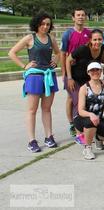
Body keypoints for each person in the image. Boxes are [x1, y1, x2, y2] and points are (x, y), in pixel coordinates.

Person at [9, 12, 60, 152]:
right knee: (32, 110)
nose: (45, 26)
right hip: (34, 77)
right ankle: (32, 140)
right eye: (42, 23)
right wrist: (24, 66)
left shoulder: (51, 38)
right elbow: (12, 53)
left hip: (49, 76)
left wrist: (55, 61)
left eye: (48, 24)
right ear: (37, 24)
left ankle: (49, 136)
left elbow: (58, 53)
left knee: (46, 109)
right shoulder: (30, 38)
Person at [65, 29, 104, 133]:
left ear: (103, 40)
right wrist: (69, 78)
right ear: (90, 40)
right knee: (77, 101)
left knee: (81, 101)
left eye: (100, 39)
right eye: (95, 39)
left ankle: (85, 126)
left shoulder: (102, 49)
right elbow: (68, 60)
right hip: (73, 78)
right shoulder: (83, 49)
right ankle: (74, 126)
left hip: (86, 79)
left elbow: (99, 62)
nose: (97, 42)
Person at [60, 8, 91, 137]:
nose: (80, 17)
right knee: (71, 98)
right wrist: (65, 74)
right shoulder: (68, 34)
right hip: (71, 72)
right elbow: (63, 54)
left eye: (83, 15)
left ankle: (83, 122)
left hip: (84, 72)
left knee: (85, 98)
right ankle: (72, 124)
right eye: (78, 15)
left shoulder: (88, 34)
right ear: (73, 17)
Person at [73, 62, 104, 160]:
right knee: (91, 121)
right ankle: (87, 148)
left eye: (97, 70)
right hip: (83, 118)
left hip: (99, 119)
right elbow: (80, 110)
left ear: (101, 71)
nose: (95, 72)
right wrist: (91, 114)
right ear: (88, 72)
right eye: (92, 70)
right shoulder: (84, 88)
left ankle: (97, 136)